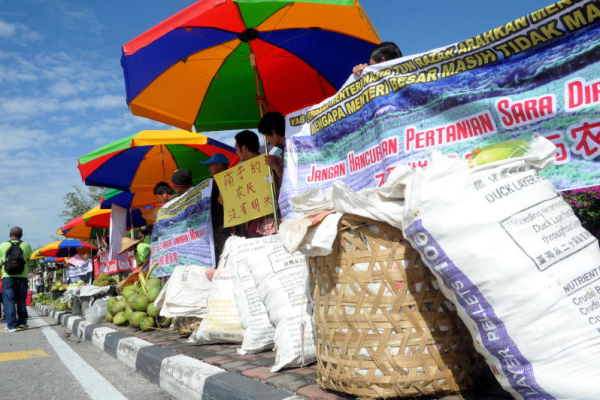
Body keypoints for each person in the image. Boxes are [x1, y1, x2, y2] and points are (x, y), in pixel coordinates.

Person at [0, 227, 33, 332]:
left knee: (9, 301)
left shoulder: (3, 245)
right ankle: (22, 323)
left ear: (9, 235)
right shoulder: (26, 245)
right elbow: (28, 260)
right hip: (22, 277)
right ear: (21, 235)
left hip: (8, 277)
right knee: (21, 300)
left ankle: (11, 326)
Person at [200, 153, 231, 261]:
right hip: (215, 228)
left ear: (219, 165)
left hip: (225, 227)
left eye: (211, 165)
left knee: (225, 257)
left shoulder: (229, 180)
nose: (209, 169)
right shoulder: (211, 183)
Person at [257, 111, 286, 181]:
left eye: (266, 135)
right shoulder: (278, 148)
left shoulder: (293, 148)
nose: (266, 139)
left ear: (273, 132)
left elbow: (292, 180)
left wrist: (276, 167)